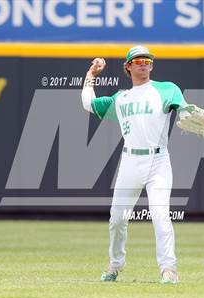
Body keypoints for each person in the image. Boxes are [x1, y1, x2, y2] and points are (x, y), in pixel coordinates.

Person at [81, 45, 188, 284]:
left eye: (147, 60)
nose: (143, 63)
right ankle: (115, 265)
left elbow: (184, 110)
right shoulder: (121, 98)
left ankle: (168, 269)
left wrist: (186, 112)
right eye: (137, 60)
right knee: (117, 218)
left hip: (159, 161)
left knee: (161, 214)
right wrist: (90, 75)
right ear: (128, 66)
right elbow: (89, 104)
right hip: (130, 160)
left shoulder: (167, 89)